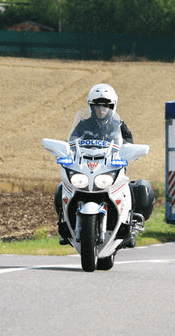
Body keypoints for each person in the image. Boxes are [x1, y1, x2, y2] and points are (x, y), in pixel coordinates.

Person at [55, 83, 147, 247]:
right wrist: (67, 153)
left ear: (112, 106)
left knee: (133, 187)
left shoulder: (119, 125)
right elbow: (72, 141)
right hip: (87, 165)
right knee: (62, 187)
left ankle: (131, 225)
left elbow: (128, 143)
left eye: (106, 106)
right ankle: (65, 225)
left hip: (110, 166)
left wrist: (129, 152)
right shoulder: (84, 124)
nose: (102, 109)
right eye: (97, 106)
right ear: (91, 106)